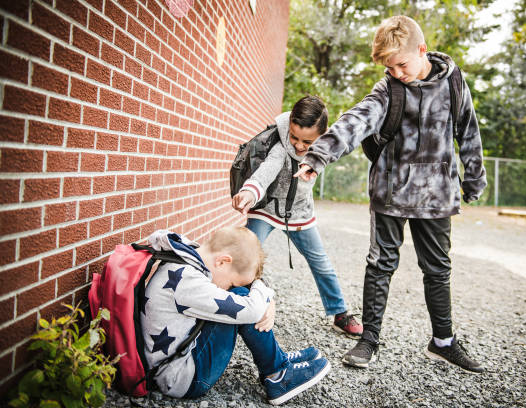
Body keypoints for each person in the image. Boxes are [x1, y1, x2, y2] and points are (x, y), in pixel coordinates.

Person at [294, 16, 487, 373]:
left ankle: (443, 342)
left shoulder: (455, 84)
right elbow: (355, 121)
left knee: (438, 268)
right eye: (389, 66)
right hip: (391, 191)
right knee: (381, 265)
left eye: (402, 64)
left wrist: (474, 179)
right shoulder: (389, 90)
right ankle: (368, 339)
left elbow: (469, 132)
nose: (397, 72)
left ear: (422, 50)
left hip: (436, 195)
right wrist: (318, 156)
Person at [141, 227, 331, 405]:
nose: (229, 285)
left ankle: (278, 360)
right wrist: (263, 292)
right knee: (242, 298)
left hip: (176, 363)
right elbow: (251, 310)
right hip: (180, 379)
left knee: (242, 296)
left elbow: (250, 299)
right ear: (223, 261)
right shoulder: (188, 281)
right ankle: (278, 374)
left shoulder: (187, 258)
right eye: (231, 281)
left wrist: (266, 298)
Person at [232, 95, 363, 339]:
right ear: (289, 126)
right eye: (295, 137)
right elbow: (266, 171)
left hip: (300, 212)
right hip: (266, 209)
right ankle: (231, 304)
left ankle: (339, 312)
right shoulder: (281, 145)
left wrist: (315, 163)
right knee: (246, 255)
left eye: (308, 141)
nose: (299, 146)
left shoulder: (324, 148)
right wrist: (250, 191)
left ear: (322, 136)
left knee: (321, 263)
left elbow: (339, 147)